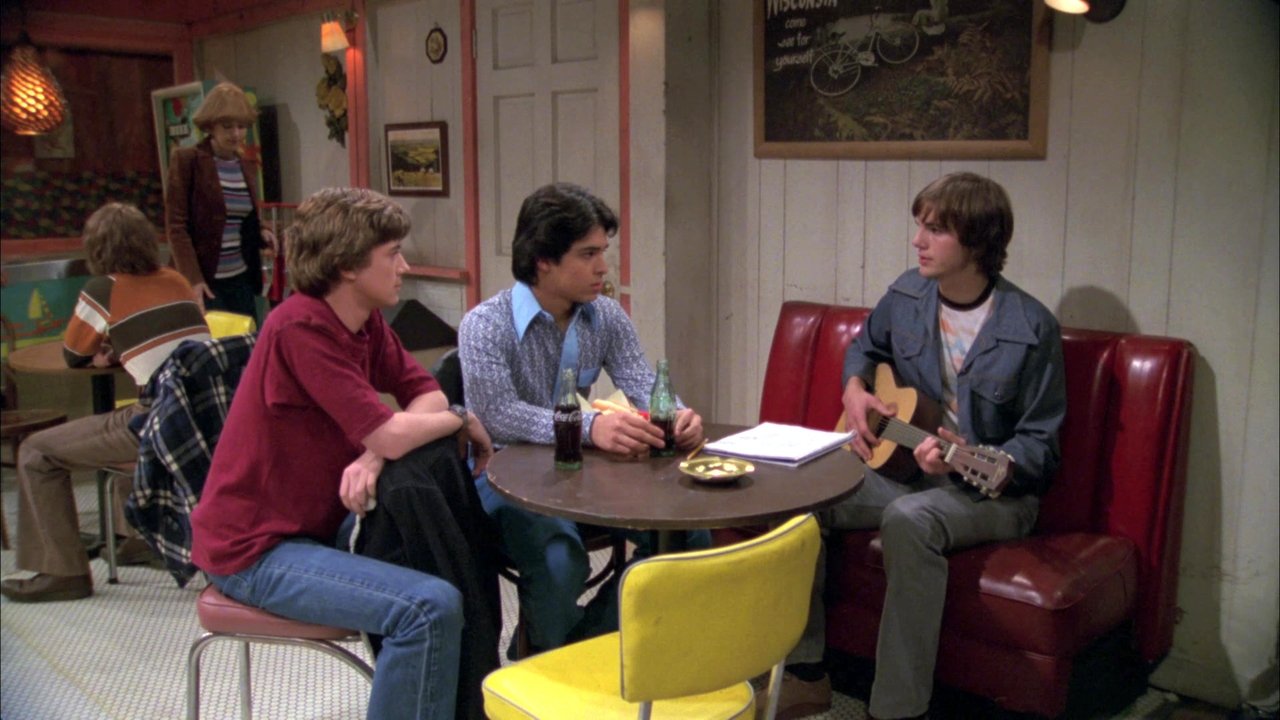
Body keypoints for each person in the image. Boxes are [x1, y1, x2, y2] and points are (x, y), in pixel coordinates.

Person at [190, 187, 498, 720]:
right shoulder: (300, 326)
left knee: (445, 579)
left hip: (316, 528)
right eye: (392, 254)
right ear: (348, 266)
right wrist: (460, 419)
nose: (404, 267)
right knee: (427, 608)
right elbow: (407, 424)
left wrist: (375, 453)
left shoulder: (365, 321)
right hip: (255, 551)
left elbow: (422, 394)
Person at [773, 172, 1068, 720]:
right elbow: (864, 348)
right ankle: (806, 673)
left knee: (910, 520)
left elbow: (1040, 448)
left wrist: (973, 463)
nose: (918, 241)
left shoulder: (1031, 327)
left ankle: (897, 709)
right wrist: (855, 390)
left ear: (977, 241)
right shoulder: (908, 293)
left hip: (991, 494)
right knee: (802, 493)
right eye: (920, 226)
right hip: (906, 471)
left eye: (936, 230)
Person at [457, 181, 710, 657]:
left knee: (688, 534)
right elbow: (497, 416)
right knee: (561, 561)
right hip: (505, 476)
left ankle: (577, 647)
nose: (603, 268)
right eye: (588, 254)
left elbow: (641, 380)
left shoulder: (605, 316)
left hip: (582, 472)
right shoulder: (485, 324)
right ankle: (550, 661)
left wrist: (677, 414)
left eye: (603, 252)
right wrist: (589, 427)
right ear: (543, 260)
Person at [1, 202, 210, 603]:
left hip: (157, 421)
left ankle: (61, 571)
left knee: (36, 452)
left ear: (96, 249)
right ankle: (138, 538)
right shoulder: (175, 280)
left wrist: (105, 350)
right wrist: (121, 349)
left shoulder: (104, 288)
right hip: (201, 422)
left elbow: (74, 353)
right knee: (121, 420)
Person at [165, 81, 272, 320]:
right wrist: (193, 279)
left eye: (241, 126)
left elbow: (243, 219)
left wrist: (262, 231)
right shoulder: (188, 160)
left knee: (246, 338)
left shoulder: (247, 165)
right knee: (211, 339)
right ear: (211, 126)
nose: (236, 134)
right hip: (204, 279)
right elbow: (176, 227)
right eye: (227, 126)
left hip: (240, 278)